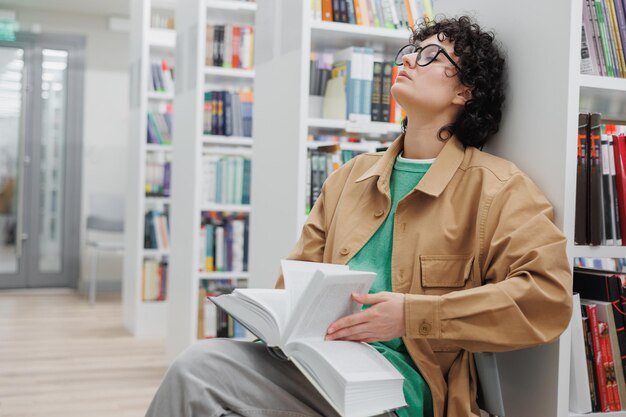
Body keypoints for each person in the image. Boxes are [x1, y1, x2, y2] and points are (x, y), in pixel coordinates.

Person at [145, 15, 572, 417]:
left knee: (199, 373)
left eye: (431, 55)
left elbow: (546, 299)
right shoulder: (349, 177)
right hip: (316, 363)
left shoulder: (497, 187)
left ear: (466, 91)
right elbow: (297, 277)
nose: (408, 59)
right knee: (198, 364)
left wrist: (411, 315)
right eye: (410, 49)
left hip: (399, 389)